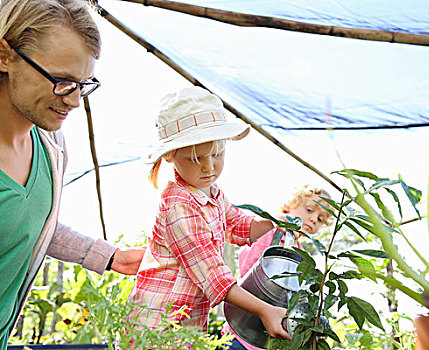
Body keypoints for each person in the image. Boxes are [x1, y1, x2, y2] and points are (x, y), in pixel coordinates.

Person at [0, 1, 144, 348]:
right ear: (4, 56)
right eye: (62, 82)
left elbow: (27, 222)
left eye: (83, 84)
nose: (75, 100)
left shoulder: (51, 146)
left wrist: (108, 257)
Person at [127, 86, 291, 342]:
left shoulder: (212, 194)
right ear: (171, 156)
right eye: (195, 158)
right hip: (157, 323)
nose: (209, 166)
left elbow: (239, 226)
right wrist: (264, 309)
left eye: (217, 154)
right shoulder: (178, 204)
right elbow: (211, 271)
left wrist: (273, 223)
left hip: (187, 320)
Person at [222, 184, 334, 350]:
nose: (313, 220)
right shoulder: (270, 233)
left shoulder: (302, 256)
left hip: (266, 340)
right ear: (289, 206)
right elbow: (249, 273)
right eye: (310, 210)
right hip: (239, 335)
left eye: (319, 219)